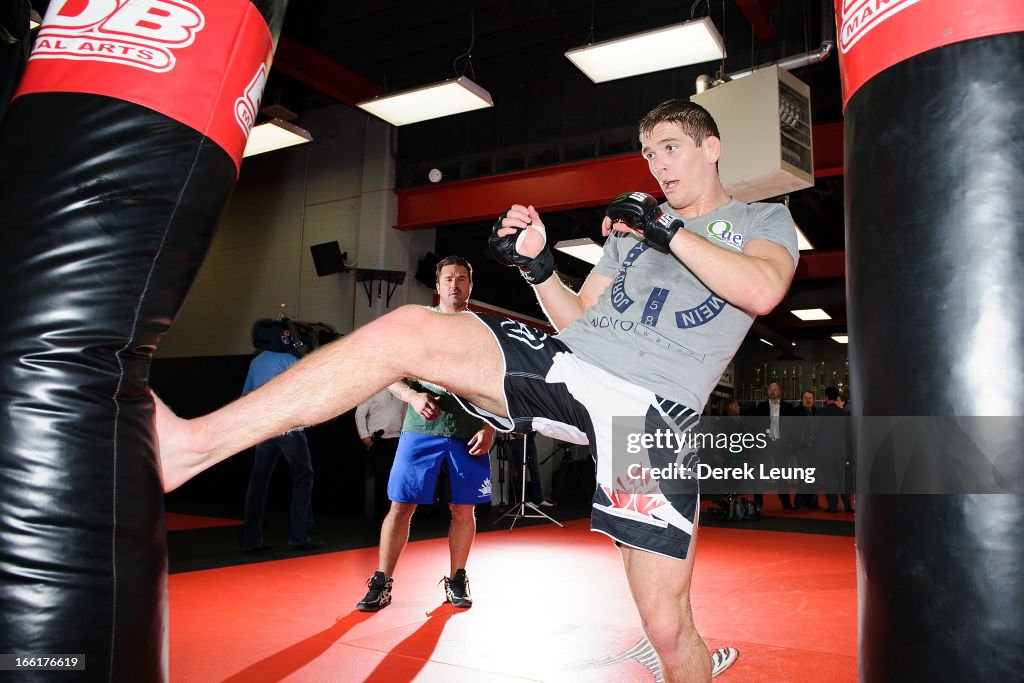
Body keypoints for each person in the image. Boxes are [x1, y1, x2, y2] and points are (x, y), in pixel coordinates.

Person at [154, 99, 797, 682]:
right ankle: (195, 443)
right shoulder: (631, 237)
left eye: (671, 147)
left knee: (664, 624)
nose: (658, 165)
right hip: (576, 373)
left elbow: (763, 290)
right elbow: (581, 326)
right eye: (650, 153)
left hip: (649, 415)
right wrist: (537, 267)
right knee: (412, 327)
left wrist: (666, 232)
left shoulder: (763, 218)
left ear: (711, 147)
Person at [356, 255, 496, 612]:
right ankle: (381, 581)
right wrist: (413, 396)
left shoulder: (482, 331)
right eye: (448, 278)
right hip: (420, 431)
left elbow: (497, 385)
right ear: (437, 286)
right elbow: (389, 373)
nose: (455, 284)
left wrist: (491, 425)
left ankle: (457, 578)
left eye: (462, 278)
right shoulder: (418, 324)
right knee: (401, 506)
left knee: (463, 510)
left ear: (470, 286)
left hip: (468, 432)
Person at [240, 349, 318, 552]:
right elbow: (304, 390)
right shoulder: (290, 359)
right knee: (303, 478)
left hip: (264, 428)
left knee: (258, 483)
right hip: (288, 426)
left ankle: (251, 541)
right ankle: (299, 537)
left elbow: (246, 396)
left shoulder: (257, 361)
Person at [354, 387, 406, 518]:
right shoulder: (375, 389)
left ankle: (395, 515)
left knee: (397, 480)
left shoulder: (403, 391)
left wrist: (405, 436)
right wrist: (365, 438)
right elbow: (359, 413)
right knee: (382, 480)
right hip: (378, 440)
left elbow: (405, 415)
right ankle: (382, 517)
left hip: (397, 440)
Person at [754, 381, 798, 509]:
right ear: (767, 392)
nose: (772, 392)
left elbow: (792, 428)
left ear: (779, 392)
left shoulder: (788, 407)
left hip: (781, 445)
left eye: (775, 389)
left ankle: (786, 502)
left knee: (782, 474)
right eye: (770, 389)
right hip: (766, 445)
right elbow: (757, 427)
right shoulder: (761, 407)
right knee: (761, 473)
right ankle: (758, 502)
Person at [815, 386, 853, 513]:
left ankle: (833, 507)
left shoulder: (820, 413)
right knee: (843, 480)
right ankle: (847, 505)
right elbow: (849, 435)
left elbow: (816, 433)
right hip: (841, 452)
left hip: (825, 452)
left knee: (829, 480)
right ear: (837, 397)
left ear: (825, 398)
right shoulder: (845, 414)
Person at [793, 389, 819, 510]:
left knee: (814, 477)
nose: (808, 400)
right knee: (804, 477)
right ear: (801, 400)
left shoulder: (817, 412)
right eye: (806, 398)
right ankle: (800, 502)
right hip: (802, 450)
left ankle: (813, 502)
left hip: (815, 449)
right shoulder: (796, 413)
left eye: (810, 398)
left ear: (814, 400)